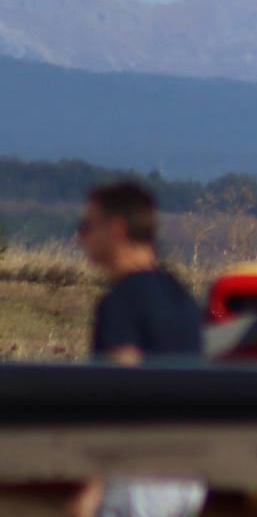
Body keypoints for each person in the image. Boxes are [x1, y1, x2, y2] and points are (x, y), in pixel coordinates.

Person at [70, 182, 206, 517]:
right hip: (187, 478)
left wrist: (93, 485)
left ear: (116, 229)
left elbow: (120, 395)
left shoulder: (121, 302)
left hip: (138, 477)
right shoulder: (180, 296)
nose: (80, 238)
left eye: (87, 226)